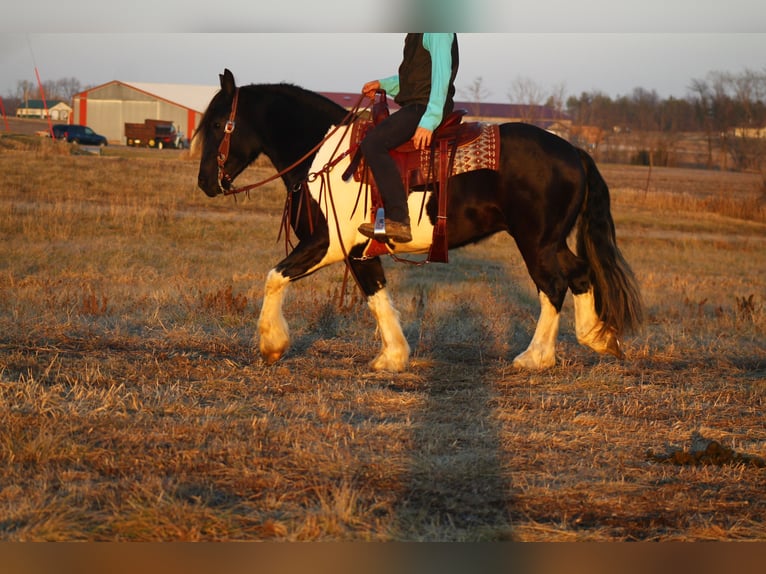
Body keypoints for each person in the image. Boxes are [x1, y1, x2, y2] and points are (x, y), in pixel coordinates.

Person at [357, 33, 459, 243]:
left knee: (374, 143)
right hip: (418, 103)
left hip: (424, 107)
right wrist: (383, 84)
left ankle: (399, 219)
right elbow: (414, 80)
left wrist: (429, 120)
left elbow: (441, 77)